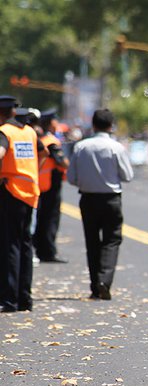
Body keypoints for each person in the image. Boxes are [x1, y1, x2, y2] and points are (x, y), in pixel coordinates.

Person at [67, 109, 133, 300]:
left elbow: (71, 177)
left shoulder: (81, 147)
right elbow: (127, 175)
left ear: (93, 125)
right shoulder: (116, 148)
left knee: (92, 241)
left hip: (88, 198)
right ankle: (104, 280)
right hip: (111, 199)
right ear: (111, 127)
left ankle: (95, 286)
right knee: (111, 240)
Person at [0, 95, 46, 312]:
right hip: (30, 192)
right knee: (25, 244)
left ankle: (9, 299)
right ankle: (25, 299)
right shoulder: (28, 131)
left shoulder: (5, 133)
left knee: (11, 245)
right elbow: (43, 152)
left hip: (11, 191)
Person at [34, 108, 69, 263]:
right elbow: (62, 162)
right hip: (49, 186)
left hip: (40, 185)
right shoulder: (51, 142)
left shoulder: (40, 138)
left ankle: (42, 249)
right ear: (50, 123)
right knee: (50, 220)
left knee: (41, 219)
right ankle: (48, 252)